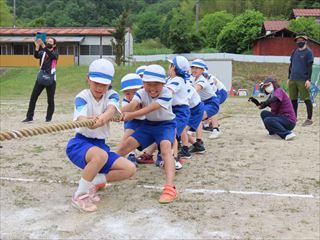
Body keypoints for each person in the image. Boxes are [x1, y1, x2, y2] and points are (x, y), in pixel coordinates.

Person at [66, 59, 136, 212]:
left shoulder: (112, 94)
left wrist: (104, 116)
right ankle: (80, 195)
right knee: (100, 156)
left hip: (100, 146)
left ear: (109, 84)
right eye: (95, 82)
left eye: (103, 84)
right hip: (80, 144)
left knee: (129, 168)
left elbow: (112, 108)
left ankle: (92, 183)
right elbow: (81, 117)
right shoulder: (82, 97)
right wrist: (90, 121)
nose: (99, 87)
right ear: (88, 79)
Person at [117, 64, 177, 204]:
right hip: (148, 125)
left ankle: (170, 187)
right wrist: (116, 113)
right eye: (148, 84)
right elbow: (132, 105)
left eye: (157, 84)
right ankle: (102, 173)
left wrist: (129, 115)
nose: (152, 87)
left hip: (166, 125)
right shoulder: (141, 92)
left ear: (163, 83)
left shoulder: (167, 93)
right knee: (125, 146)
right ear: (143, 83)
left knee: (165, 147)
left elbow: (148, 109)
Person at [23, 37, 59, 122]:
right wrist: (37, 46)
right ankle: (29, 117)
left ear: (54, 45)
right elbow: (36, 55)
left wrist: (43, 45)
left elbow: (51, 56)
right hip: (41, 78)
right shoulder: (43, 52)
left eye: (50, 42)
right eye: (47, 41)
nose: (48, 42)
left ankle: (48, 118)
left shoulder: (55, 53)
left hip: (51, 79)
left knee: (50, 100)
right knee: (33, 97)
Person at [166, 56, 191, 169]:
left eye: (170, 65)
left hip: (180, 111)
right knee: (169, 134)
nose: (168, 67)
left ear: (174, 67)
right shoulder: (170, 79)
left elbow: (169, 92)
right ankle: (168, 157)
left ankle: (174, 159)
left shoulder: (177, 80)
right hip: (172, 110)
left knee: (172, 133)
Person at [117, 73, 145, 166]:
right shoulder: (125, 101)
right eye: (127, 93)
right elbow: (128, 112)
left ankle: (160, 154)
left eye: (134, 92)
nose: (131, 96)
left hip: (145, 121)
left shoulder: (146, 97)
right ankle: (129, 155)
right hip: (132, 121)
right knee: (126, 139)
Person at [288, 32, 314, 126]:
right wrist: (288, 77)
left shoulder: (309, 52)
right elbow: (291, 65)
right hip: (293, 79)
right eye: (298, 40)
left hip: (303, 80)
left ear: (305, 41)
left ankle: (309, 119)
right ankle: (294, 117)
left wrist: (308, 80)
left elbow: (310, 67)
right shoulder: (294, 51)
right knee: (293, 100)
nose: (299, 42)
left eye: (301, 40)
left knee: (306, 99)